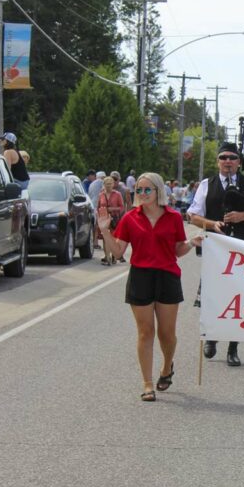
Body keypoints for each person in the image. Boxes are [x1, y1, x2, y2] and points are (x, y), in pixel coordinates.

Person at [97, 172, 202, 402]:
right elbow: (118, 253)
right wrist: (105, 230)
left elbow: (176, 250)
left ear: (158, 192)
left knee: (167, 334)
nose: (142, 194)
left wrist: (191, 243)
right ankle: (147, 383)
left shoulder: (173, 217)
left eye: (147, 190)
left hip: (167, 276)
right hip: (141, 276)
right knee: (145, 332)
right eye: (139, 190)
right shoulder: (130, 218)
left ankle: (166, 368)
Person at [188, 142, 244, 367]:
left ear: (238, 162)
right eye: (223, 157)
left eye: (232, 158)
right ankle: (212, 336)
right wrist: (211, 223)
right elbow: (193, 215)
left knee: (239, 299)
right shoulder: (207, 184)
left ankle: (233, 348)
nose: (227, 161)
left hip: (242, 248)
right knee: (213, 297)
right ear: (218, 161)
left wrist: (243, 216)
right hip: (215, 248)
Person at [97, 175, 124, 266]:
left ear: (113, 184)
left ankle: (113, 256)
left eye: (110, 183)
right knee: (105, 238)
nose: (108, 185)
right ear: (104, 184)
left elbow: (121, 207)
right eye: (107, 184)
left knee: (113, 238)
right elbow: (98, 206)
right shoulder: (101, 194)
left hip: (114, 219)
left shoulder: (117, 194)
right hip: (104, 219)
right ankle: (107, 257)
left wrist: (112, 209)